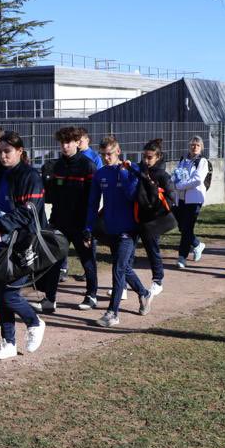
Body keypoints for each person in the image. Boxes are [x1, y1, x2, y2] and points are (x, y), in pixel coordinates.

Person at [0, 132, 47, 359]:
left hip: (20, 244)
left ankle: (35, 322)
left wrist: (1, 225)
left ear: (20, 151)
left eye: (7, 151)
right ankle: (8, 343)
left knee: (10, 295)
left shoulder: (30, 176)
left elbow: (29, 210)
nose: (2, 156)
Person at [84, 136, 152, 327]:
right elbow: (92, 203)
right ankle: (144, 293)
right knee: (124, 268)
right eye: (103, 155)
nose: (107, 158)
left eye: (110, 154)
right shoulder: (100, 174)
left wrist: (123, 173)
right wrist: (88, 228)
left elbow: (132, 195)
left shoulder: (132, 170)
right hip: (110, 228)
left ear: (118, 152)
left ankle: (112, 313)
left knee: (118, 269)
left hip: (129, 229)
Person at [32, 127, 98, 311]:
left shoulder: (88, 166)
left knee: (87, 260)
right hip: (60, 222)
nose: (65, 146)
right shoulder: (57, 166)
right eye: (62, 143)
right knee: (54, 261)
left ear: (78, 142)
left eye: (69, 142)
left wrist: (89, 226)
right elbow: (53, 196)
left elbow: (93, 200)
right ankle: (50, 299)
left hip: (81, 224)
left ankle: (91, 296)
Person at [135, 139, 174, 299]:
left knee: (152, 251)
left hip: (152, 220)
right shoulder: (138, 170)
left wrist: (156, 207)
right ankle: (122, 285)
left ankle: (158, 281)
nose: (146, 160)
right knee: (127, 252)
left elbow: (170, 199)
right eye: (144, 156)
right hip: (135, 216)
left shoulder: (163, 176)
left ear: (158, 157)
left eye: (149, 157)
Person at [173, 136, 209, 268]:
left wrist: (181, 185)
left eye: (197, 145)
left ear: (201, 148)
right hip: (180, 199)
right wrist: (174, 181)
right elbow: (176, 174)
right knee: (182, 227)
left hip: (194, 200)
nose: (194, 148)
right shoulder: (184, 160)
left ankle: (182, 257)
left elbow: (198, 179)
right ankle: (197, 244)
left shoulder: (202, 161)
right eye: (192, 145)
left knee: (187, 227)